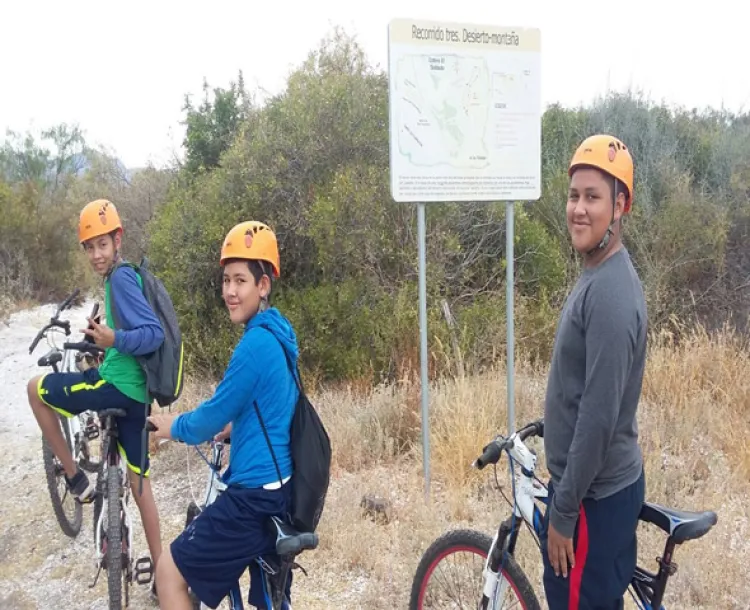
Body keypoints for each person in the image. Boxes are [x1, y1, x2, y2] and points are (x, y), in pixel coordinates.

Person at [148, 220, 298, 610]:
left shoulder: (254, 345)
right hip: (281, 489)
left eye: (241, 281)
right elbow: (276, 405)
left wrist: (170, 427)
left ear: (262, 285)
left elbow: (207, 418)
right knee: (268, 597)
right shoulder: (280, 335)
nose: (230, 291)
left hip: (253, 498)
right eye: (226, 280)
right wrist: (238, 427)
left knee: (167, 571)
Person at [27, 198, 164, 583]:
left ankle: (76, 478)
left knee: (34, 389)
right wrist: (105, 335)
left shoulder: (120, 278)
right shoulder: (124, 278)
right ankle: (162, 576)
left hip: (114, 389)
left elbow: (152, 334)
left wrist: (112, 337)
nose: (95, 254)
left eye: (101, 244)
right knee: (141, 486)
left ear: (118, 239)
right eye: (88, 247)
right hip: (138, 396)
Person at [540, 135, 648, 609]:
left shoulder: (611, 295)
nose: (578, 209)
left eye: (593, 197)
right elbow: (583, 387)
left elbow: (600, 417)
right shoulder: (598, 273)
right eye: (574, 195)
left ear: (620, 205)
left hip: (591, 502)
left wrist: (563, 513)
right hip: (592, 493)